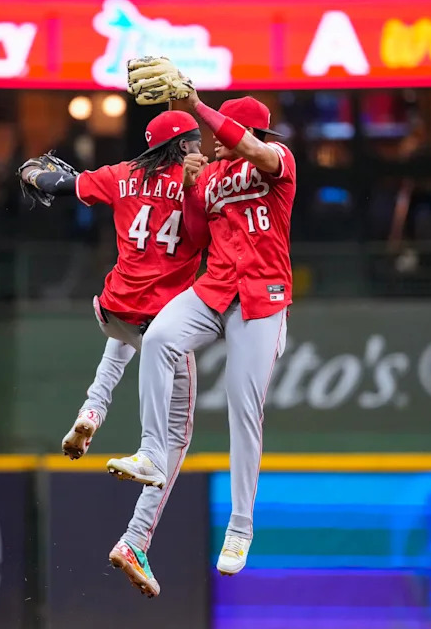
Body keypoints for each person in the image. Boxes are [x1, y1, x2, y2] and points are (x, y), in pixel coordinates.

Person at [18, 110, 209, 597]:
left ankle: (92, 409)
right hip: (160, 326)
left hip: (112, 310)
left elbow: (61, 184)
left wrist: (32, 172)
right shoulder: (201, 185)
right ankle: (135, 539)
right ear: (186, 145)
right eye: (196, 141)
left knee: (125, 333)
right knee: (176, 438)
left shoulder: (123, 174)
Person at [106, 92, 296, 577]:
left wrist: (195, 104)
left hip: (262, 295)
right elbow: (195, 232)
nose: (211, 142)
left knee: (242, 402)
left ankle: (240, 528)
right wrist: (191, 190)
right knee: (158, 339)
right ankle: (151, 451)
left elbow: (246, 145)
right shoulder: (210, 176)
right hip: (215, 290)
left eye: (218, 133)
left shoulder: (276, 162)